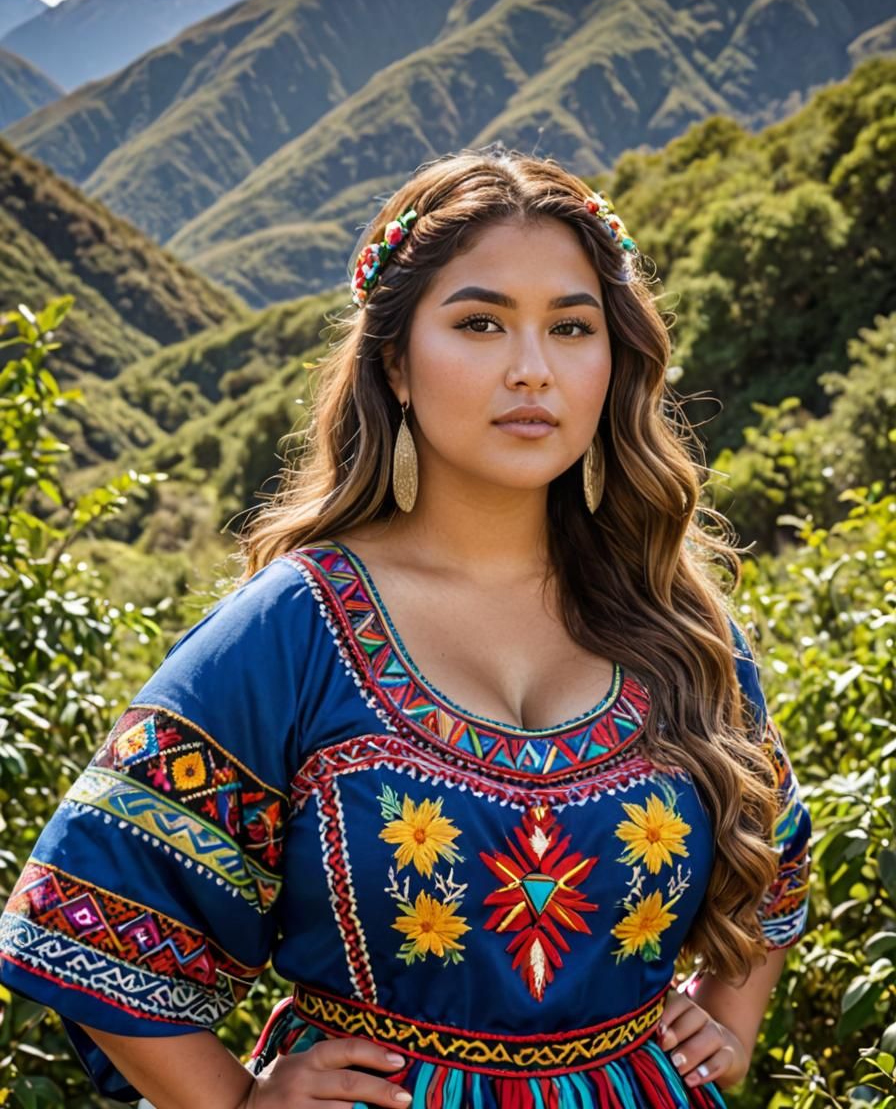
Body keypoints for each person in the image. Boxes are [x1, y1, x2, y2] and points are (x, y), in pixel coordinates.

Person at [0, 147, 812, 1109]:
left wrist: (730, 1023)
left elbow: (774, 856)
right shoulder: (291, 629)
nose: (531, 369)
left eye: (571, 327)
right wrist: (237, 1099)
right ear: (394, 363)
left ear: (613, 360)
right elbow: (86, 914)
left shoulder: (678, 622)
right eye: (479, 323)